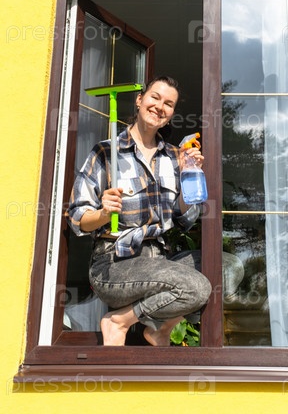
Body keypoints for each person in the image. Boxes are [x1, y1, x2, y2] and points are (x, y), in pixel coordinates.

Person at [67, 76, 213, 346]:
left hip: (160, 260)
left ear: (171, 114)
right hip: (114, 265)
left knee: (225, 268)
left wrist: (187, 175)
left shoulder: (174, 157)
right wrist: (102, 213)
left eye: (168, 104)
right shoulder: (106, 152)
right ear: (139, 100)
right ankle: (119, 322)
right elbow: (77, 218)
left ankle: (159, 327)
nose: (160, 106)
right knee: (197, 286)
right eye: (155, 97)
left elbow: (185, 221)